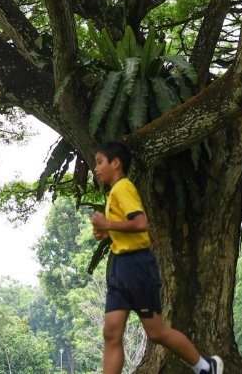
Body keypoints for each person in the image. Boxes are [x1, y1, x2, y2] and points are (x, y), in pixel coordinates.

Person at [88, 140, 223, 374]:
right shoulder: (113, 193)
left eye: (100, 162)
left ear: (116, 163)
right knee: (111, 332)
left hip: (138, 266)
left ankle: (205, 367)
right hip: (120, 267)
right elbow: (123, 227)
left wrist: (107, 223)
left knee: (156, 332)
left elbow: (141, 223)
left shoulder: (123, 187)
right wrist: (106, 230)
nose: (96, 168)